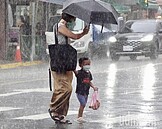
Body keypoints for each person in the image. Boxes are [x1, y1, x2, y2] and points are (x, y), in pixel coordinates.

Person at [48, 13, 89, 124]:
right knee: (65, 88)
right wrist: (83, 33)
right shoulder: (60, 26)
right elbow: (74, 36)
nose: (74, 21)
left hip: (65, 63)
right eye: (73, 18)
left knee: (67, 88)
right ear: (69, 18)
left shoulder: (63, 26)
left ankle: (61, 114)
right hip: (59, 63)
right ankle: (53, 109)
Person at [74, 57, 97, 123]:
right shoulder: (79, 73)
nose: (87, 66)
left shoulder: (89, 73)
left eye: (89, 64)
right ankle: (79, 117)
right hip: (80, 92)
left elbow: (89, 82)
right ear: (80, 65)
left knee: (83, 105)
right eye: (85, 64)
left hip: (86, 92)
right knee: (83, 104)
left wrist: (93, 87)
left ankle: (80, 116)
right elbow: (75, 72)